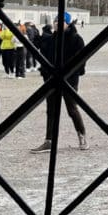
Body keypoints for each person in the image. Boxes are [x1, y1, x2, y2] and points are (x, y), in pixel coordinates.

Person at [31, 12, 88, 154]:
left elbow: (81, 62)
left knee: (72, 109)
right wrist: (38, 34)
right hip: (51, 80)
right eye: (55, 21)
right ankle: (49, 141)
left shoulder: (76, 39)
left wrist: (72, 74)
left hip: (69, 80)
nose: (57, 23)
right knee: (51, 110)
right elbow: (40, 50)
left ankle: (82, 135)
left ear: (68, 23)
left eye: (60, 21)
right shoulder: (51, 39)